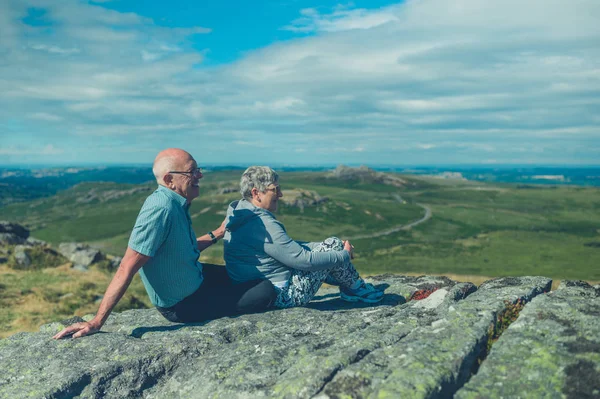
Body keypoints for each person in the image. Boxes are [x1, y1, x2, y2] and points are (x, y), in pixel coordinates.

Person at [54, 149, 276, 339]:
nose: (200, 175)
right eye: (192, 172)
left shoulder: (176, 203)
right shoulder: (160, 210)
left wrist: (219, 231)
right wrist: (97, 322)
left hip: (195, 278)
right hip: (183, 304)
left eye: (198, 169)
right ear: (170, 180)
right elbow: (127, 266)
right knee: (265, 291)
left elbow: (182, 249)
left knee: (248, 275)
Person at [223, 166, 384, 309]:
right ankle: (356, 289)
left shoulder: (241, 213)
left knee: (330, 246)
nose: (281, 194)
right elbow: (302, 260)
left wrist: (321, 246)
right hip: (283, 295)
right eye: (275, 189)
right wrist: (343, 255)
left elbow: (285, 247)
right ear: (256, 193)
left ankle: (354, 287)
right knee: (334, 245)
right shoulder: (262, 224)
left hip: (257, 288)